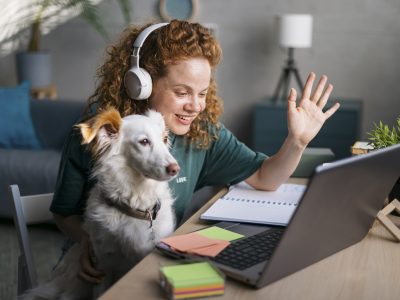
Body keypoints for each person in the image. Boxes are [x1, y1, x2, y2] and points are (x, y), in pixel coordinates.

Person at [50, 20, 340, 284]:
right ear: (141, 85)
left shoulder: (202, 132)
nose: (196, 106)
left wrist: (297, 140)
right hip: (94, 270)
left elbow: (266, 177)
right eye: (182, 92)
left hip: (153, 264)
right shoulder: (102, 131)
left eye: (202, 93)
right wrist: (87, 241)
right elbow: (64, 213)